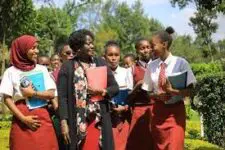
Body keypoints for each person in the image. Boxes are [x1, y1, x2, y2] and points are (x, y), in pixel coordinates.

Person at [57, 29, 119, 150]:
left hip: (100, 119)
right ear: (78, 47)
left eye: (92, 43)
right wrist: (64, 123)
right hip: (78, 121)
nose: (92, 46)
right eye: (88, 43)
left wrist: (102, 92)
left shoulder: (100, 63)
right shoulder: (68, 67)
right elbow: (62, 98)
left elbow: (114, 87)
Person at [0, 35, 58, 150]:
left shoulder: (41, 69)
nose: (36, 51)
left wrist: (33, 93)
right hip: (21, 119)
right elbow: (7, 98)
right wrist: (23, 119)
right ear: (22, 49)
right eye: (33, 48)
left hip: (42, 117)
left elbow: (51, 94)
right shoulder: (10, 72)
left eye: (37, 47)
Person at [142, 28, 196, 150]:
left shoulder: (181, 63)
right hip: (158, 114)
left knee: (174, 146)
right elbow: (148, 93)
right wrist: (156, 95)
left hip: (176, 113)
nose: (150, 49)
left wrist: (173, 91)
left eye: (153, 45)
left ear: (164, 44)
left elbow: (192, 91)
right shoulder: (151, 66)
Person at [126, 37, 153, 150]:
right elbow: (127, 97)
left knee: (156, 141)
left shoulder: (159, 66)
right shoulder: (131, 69)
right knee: (139, 143)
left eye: (147, 47)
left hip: (157, 109)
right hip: (139, 109)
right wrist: (137, 86)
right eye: (142, 48)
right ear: (137, 50)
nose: (145, 50)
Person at [104, 40, 132, 150]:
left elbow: (131, 95)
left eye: (116, 55)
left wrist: (125, 107)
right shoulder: (101, 73)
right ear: (104, 56)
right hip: (107, 117)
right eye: (110, 55)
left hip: (123, 117)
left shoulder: (126, 72)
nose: (113, 58)